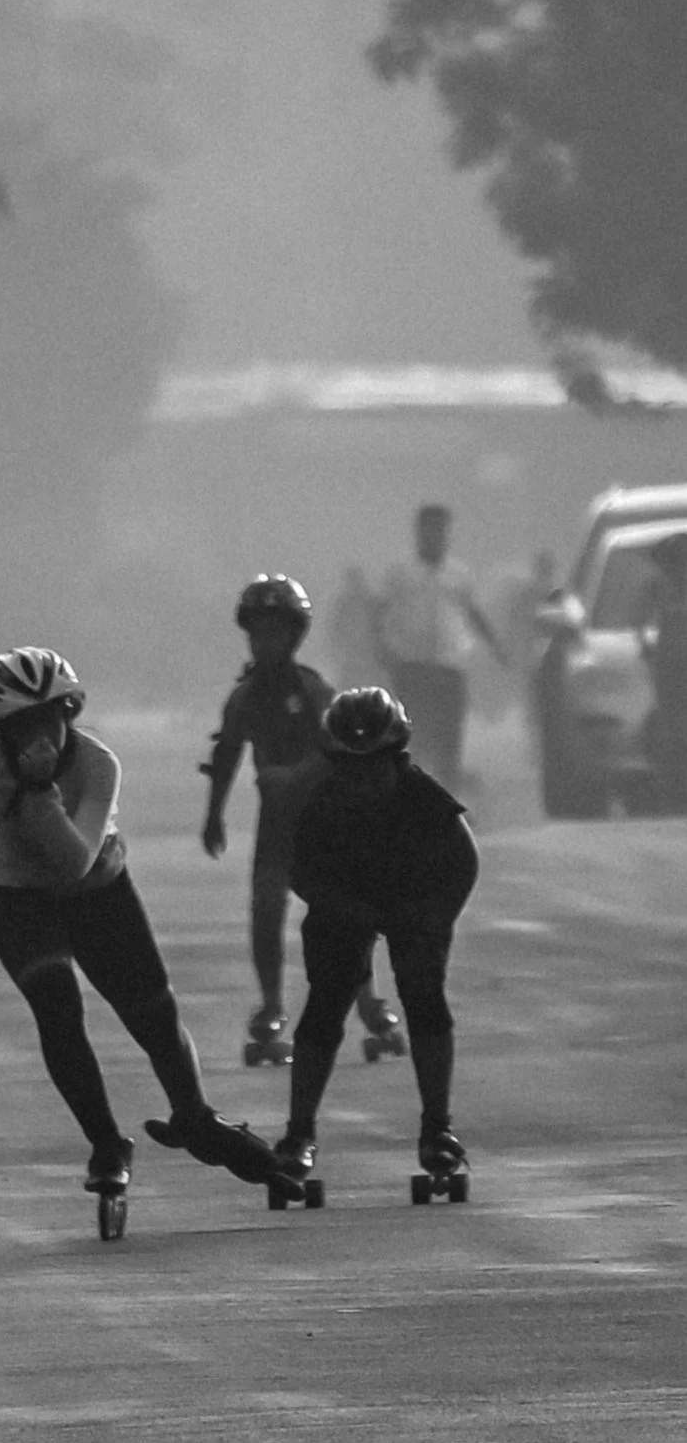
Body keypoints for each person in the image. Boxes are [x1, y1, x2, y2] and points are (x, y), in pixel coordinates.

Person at [0, 647, 301, 1208]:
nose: (43, 737)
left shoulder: (98, 765)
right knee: (57, 1009)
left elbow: (75, 863)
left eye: (53, 719)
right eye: (24, 727)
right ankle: (106, 1144)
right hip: (21, 900)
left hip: (98, 890)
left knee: (154, 1018)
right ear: (5, 732)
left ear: (70, 712)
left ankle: (195, 1116)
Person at [274, 688, 480, 1194]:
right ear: (335, 764)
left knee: (424, 995)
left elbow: (463, 863)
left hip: (414, 899)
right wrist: (348, 911)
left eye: (375, 769)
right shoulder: (321, 806)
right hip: (343, 900)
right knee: (325, 1006)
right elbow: (299, 873)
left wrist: (434, 918)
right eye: (350, 770)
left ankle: (438, 1129)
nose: (362, 782)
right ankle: (299, 1135)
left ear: (399, 760)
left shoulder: (426, 800)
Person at [199, 575, 403, 1067]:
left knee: (347, 918)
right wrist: (214, 815)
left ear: (294, 636)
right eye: (257, 633)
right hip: (276, 827)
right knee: (266, 910)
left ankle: (368, 1002)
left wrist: (293, 777)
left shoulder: (314, 690)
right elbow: (226, 755)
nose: (264, 642)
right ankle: (271, 1006)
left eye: (274, 632)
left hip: (325, 820)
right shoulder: (244, 698)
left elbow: (338, 748)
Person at [375, 504, 507, 792]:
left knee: (449, 735)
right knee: (413, 734)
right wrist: (382, 649)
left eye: (441, 531)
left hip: (449, 666)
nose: (436, 537)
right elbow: (380, 612)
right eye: (430, 530)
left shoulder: (459, 575)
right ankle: (409, 795)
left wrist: (496, 647)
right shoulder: (400, 574)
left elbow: (473, 613)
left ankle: (448, 798)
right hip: (411, 666)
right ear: (418, 533)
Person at [635, 533, 687, 808]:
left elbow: (641, 624)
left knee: (671, 721)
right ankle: (672, 782)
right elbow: (641, 623)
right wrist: (646, 646)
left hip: (668, 658)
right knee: (670, 722)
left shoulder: (657, 584)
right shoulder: (657, 585)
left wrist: (645, 645)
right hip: (668, 660)